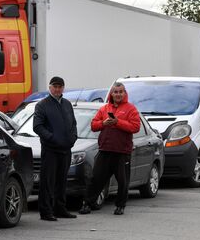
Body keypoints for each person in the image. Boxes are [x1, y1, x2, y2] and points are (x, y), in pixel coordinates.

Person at [79, 82, 140, 216]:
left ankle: (120, 206)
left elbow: (135, 127)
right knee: (95, 179)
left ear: (124, 93)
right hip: (105, 150)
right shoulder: (104, 109)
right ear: (111, 94)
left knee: (123, 181)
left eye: (120, 92)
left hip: (122, 152)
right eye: (115, 92)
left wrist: (118, 122)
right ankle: (87, 203)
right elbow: (94, 125)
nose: (118, 94)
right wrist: (103, 123)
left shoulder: (131, 109)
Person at [33, 76, 78, 221]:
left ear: (63, 88)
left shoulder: (67, 104)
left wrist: (73, 137)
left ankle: (60, 208)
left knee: (62, 181)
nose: (57, 89)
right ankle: (46, 211)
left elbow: (73, 124)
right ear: (50, 87)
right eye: (55, 86)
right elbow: (37, 126)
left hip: (66, 149)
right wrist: (51, 138)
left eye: (60, 87)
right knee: (47, 181)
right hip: (51, 150)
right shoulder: (42, 105)